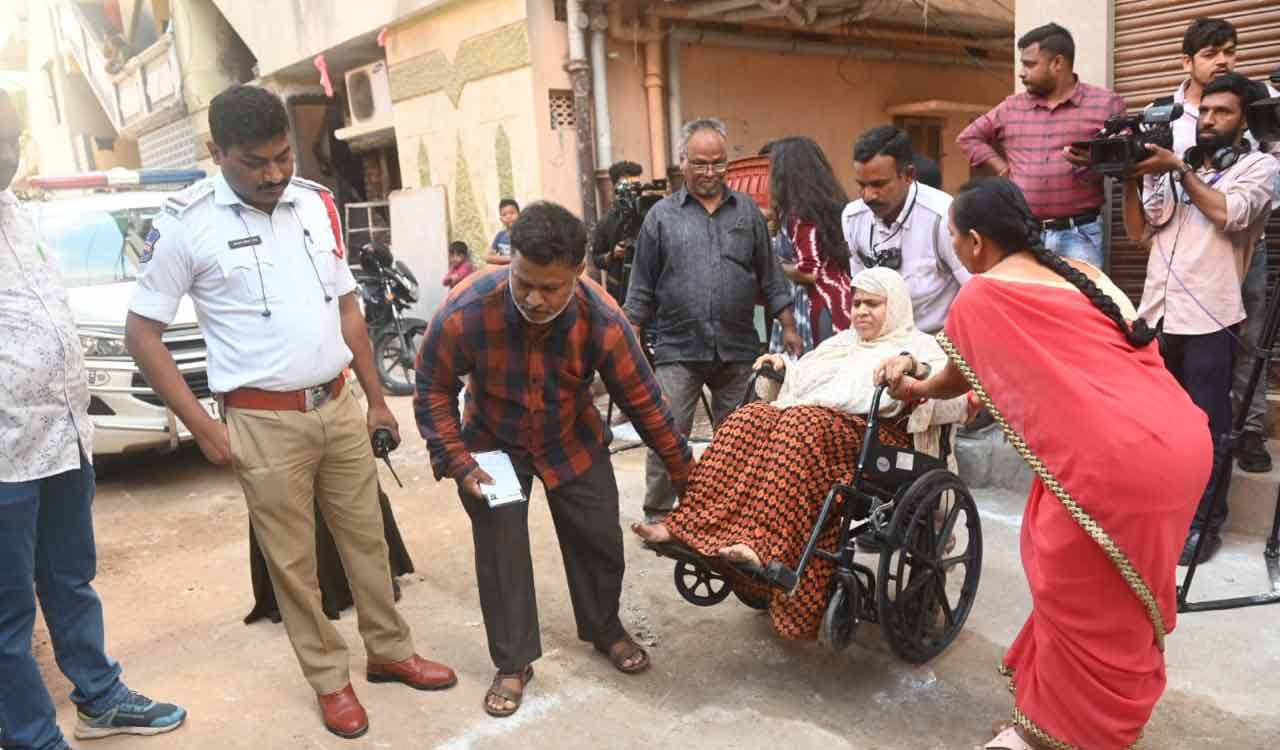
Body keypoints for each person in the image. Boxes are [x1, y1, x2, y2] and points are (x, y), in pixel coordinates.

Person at [124, 84, 455, 740]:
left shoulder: (313, 203)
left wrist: (377, 399)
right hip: (262, 422)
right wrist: (205, 428)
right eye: (256, 162)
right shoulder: (187, 225)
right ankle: (330, 681)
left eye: (283, 157)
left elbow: (348, 309)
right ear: (216, 151)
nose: (275, 173)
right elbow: (142, 335)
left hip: (338, 405)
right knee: (293, 563)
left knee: (367, 541)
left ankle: (389, 651)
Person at [879, 177, 1210, 750]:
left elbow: (953, 377)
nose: (954, 250)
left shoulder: (983, 296)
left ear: (976, 242)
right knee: (1115, 602)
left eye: (954, 239)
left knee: (1076, 596)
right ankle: (1053, 721)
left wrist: (915, 388)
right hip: (1180, 443)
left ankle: (1073, 735)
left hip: (1116, 465)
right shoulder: (1088, 274)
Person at [415, 201, 693, 718]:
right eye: (525, 283)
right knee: (502, 552)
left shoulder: (604, 318)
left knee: (598, 540)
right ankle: (514, 661)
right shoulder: (466, 308)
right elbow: (432, 387)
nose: (535, 299)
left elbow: (644, 402)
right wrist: (456, 459)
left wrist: (684, 473)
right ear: (511, 262)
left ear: (577, 274)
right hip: (492, 445)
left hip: (573, 438)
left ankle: (604, 627)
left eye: (551, 288)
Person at [631, 267, 966, 638]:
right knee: (749, 418)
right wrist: (784, 368)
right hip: (821, 429)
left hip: (881, 442)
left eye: (873, 303)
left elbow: (957, 397)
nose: (861, 312)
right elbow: (805, 380)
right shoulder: (840, 343)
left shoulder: (922, 346)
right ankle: (689, 526)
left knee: (801, 423)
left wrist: (910, 368)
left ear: (897, 305)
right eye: (856, 303)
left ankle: (764, 546)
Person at [0, 89, 188, 750]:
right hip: (3, 457)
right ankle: (29, 736)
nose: (6, 153)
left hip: (59, 436)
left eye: (12, 138)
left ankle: (99, 699)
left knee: (71, 578)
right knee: (7, 614)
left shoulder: (14, 211)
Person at [1121, 72, 1278, 565]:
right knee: (1156, 426)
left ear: (1243, 120)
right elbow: (1139, 235)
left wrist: (1178, 170)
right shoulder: (1174, 167)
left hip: (1211, 318)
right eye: (1205, 111)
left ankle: (1207, 522)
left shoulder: (1259, 168)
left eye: (1223, 112)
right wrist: (1129, 176)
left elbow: (1229, 214)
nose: (1209, 120)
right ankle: (1164, 512)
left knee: (1209, 429)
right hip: (1157, 314)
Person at [624, 117, 802, 523]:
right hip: (677, 346)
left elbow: (771, 276)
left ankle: (731, 513)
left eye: (718, 164)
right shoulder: (661, 217)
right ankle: (659, 513)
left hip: (738, 348)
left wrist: (788, 325)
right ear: (682, 162)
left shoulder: (749, 215)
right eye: (700, 164)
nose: (709, 173)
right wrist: (631, 334)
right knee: (667, 432)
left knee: (741, 439)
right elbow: (641, 286)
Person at [1158, 17, 1280, 473]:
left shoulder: (1260, 107)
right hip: (1187, 249)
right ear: (1187, 62)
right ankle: (1189, 438)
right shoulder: (1166, 112)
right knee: (1193, 353)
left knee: (1248, 339)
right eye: (1211, 52)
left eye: (1230, 50)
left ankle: (1247, 430)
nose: (1224, 59)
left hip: (1247, 238)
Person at [957, 22, 1127, 268]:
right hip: (1025, 234)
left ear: (1058, 63)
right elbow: (968, 137)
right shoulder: (1011, 107)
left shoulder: (1105, 104)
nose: (1021, 73)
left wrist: (1094, 160)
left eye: (1030, 64)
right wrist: (1001, 167)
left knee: (1078, 304)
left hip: (1079, 233)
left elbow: (1126, 155)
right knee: (1026, 303)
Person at [843, 125, 970, 334]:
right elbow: (861, 290)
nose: (868, 196)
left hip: (937, 343)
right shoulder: (852, 218)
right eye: (861, 185)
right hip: (879, 342)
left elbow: (972, 290)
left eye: (878, 184)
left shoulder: (943, 217)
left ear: (909, 175)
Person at [768, 136, 853, 345]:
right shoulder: (827, 206)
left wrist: (774, 264)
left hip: (819, 308)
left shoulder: (800, 214)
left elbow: (808, 271)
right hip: (841, 300)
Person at [591, 160, 645, 303]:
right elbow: (596, 258)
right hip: (620, 289)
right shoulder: (606, 221)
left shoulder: (650, 215)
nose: (632, 191)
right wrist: (612, 255)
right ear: (615, 188)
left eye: (636, 186)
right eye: (626, 186)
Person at [484, 198, 519, 266]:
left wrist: (498, 259)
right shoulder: (500, 235)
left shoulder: (525, 234)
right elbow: (488, 258)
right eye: (504, 214)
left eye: (512, 213)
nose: (508, 216)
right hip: (503, 270)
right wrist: (511, 258)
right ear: (501, 219)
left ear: (519, 215)